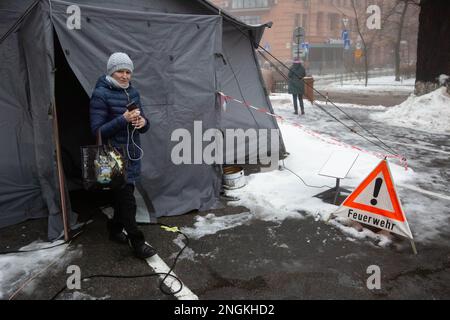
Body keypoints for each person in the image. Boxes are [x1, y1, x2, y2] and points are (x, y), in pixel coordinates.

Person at [89, 52, 156, 259]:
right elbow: (97, 131)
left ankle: (114, 228)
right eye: (120, 71)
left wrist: (143, 123)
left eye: (128, 72)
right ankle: (137, 242)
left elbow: (143, 122)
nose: (125, 76)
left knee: (123, 198)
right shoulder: (100, 94)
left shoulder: (133, 93)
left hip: (133, 153)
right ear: (111, 72)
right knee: (128, 201)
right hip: (114, 158)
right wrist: (124, 119)